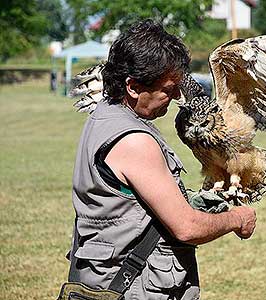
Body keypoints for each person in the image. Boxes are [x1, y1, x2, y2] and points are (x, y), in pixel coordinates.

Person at [67, 19, 256, 300]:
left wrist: (196, 200)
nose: (175, 97)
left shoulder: (104, 115)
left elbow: (133, 205)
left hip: (103, 282)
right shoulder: (134, 141)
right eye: (167, 89)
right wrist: (237, 218)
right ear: (132, 87)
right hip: (131, 289)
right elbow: (187, 228)